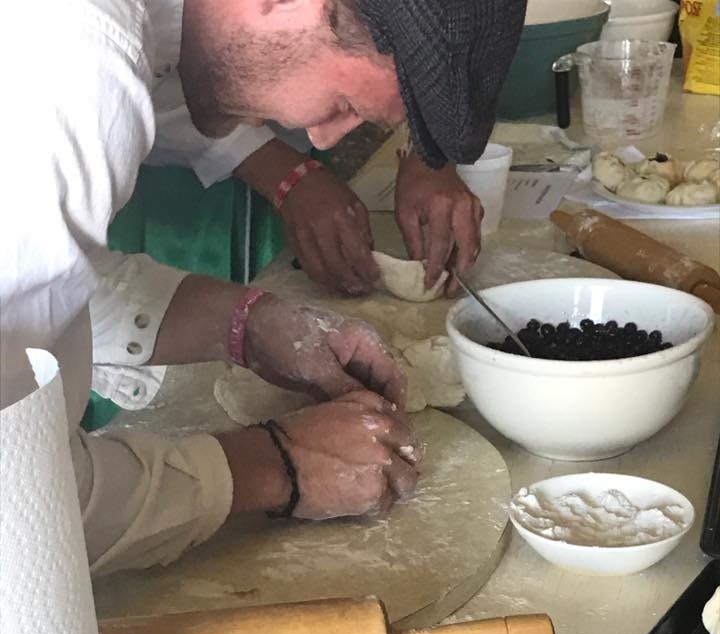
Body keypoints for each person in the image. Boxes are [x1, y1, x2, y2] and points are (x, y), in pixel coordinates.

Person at [0, 0, 526, 575]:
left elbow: (46, 291)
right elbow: (15, 510)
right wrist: (278, 464)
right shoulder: (74, 67)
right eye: (346, 105)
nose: (322, 139)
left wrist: (250, 326)